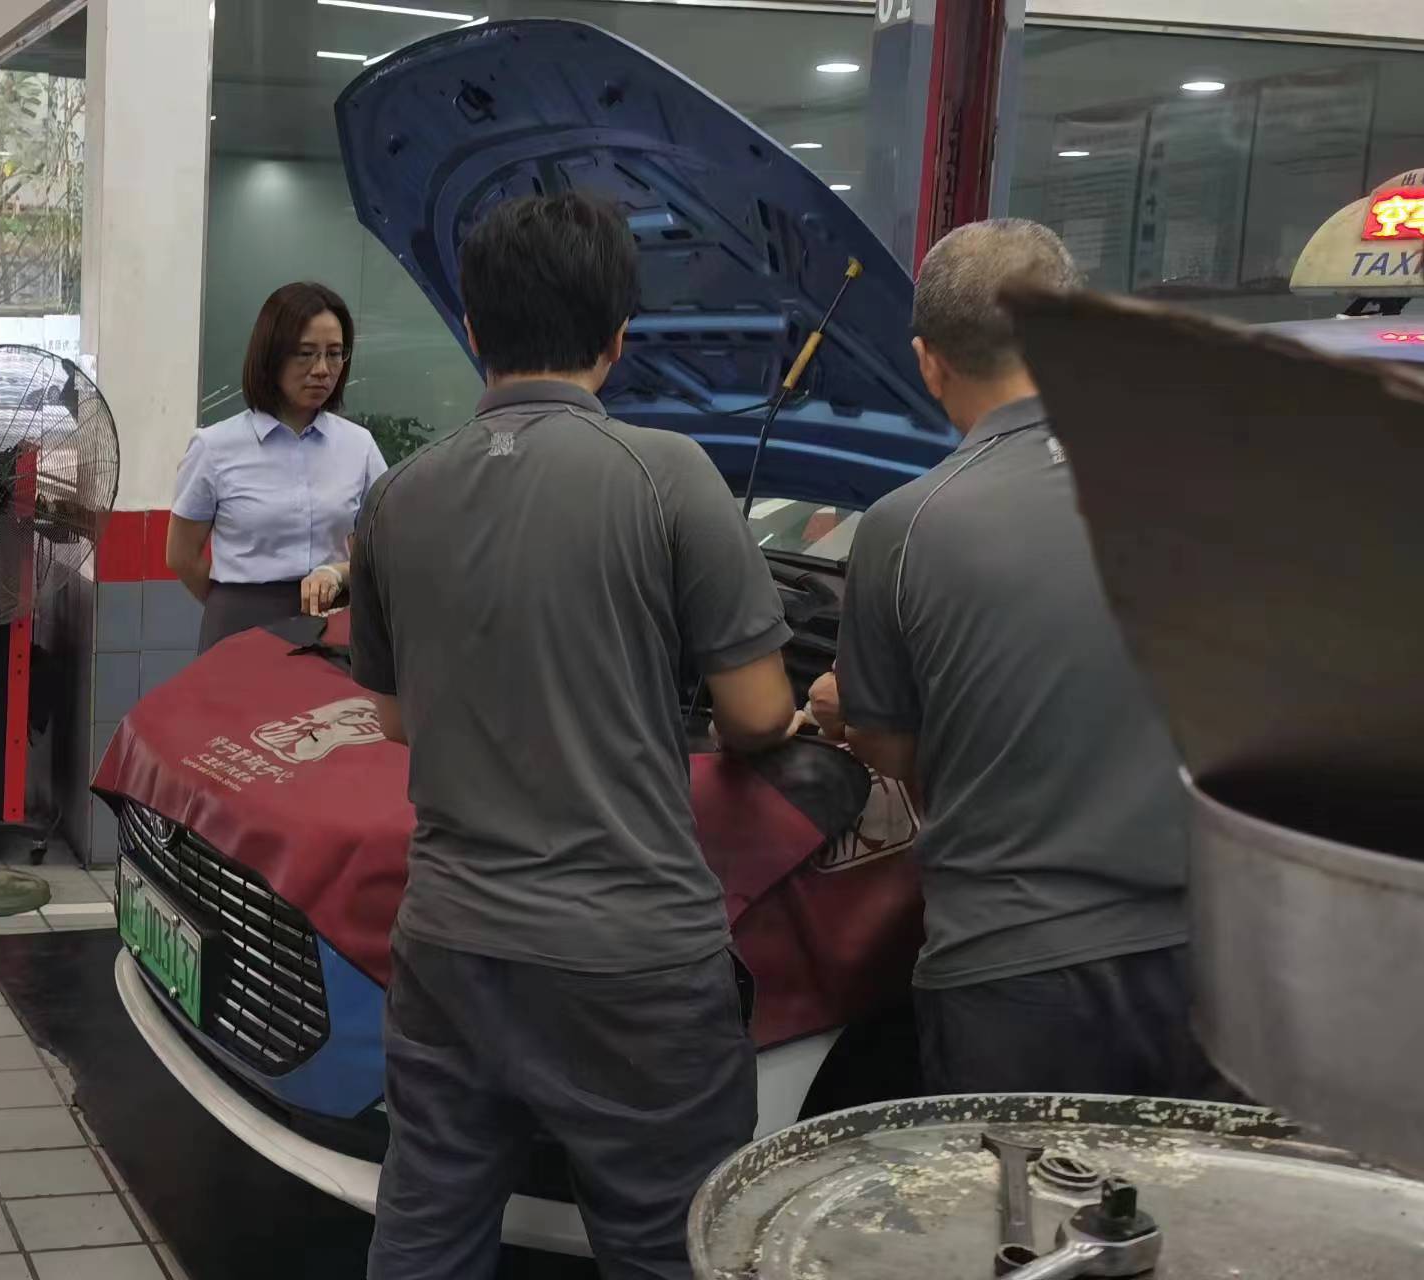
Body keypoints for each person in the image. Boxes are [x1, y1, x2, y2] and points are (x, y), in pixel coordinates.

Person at [348, 192, 797, 1280]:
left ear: (471, 327)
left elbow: (396, 718)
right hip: (632, 960)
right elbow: (753, 714)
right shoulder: (669, 473)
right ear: (617, 337)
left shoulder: (397, 497)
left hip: (450, 945)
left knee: (427, 1227)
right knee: (665, 1244)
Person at [810, 219, 1217, 1099]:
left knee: (1021, 1195)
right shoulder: (1199, 491)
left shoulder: (907, 525)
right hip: (1205, 960)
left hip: (1013, 973)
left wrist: (847, 713)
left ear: (926, 361)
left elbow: (889, 750)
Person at [167, 281, 387, 652]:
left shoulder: (358, 445)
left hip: (332, 623)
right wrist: (234, 605)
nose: (322, 369)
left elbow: (385, 548)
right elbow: (181, 556)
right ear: (271, 356)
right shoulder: (215, 447)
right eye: (305, 354)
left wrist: (338, 573)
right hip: (241, 626)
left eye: (335, 354)